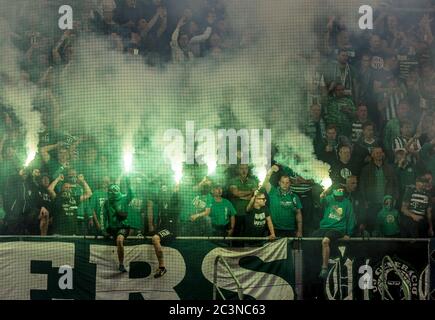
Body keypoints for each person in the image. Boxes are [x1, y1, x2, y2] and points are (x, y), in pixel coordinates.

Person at [313, 188, 356, 279]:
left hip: (338, 228)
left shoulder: (347, 203)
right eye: (338, 190)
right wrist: (321, 197)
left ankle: (324, 268)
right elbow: (321, 203)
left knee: (325, 241)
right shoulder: (328, 198)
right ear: (333, 191)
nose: (340, 192)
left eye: (341, 190)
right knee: (311, 239)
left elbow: (351, 218)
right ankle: (314, 265)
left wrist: (348, 233)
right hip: (324, 227)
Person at [150, 181, 180, 278]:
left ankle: (162, 267)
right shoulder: (161, 201)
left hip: (170, 228)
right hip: (162, 227)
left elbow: (175, 212)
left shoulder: (175, 200)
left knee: (155, 238)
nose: (163, 192)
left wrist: (175, 193)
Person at [263, 165, 303, 237]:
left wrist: (300, 231)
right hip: (274, 229)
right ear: (279, 183)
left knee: (289, 248)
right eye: (283, 182)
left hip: (290, 230)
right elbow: (265, 183)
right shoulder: (273, 192)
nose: (285, 184)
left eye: (287, 182)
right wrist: (271, 170)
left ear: (290, 183)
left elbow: (298, 214)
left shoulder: (294, 197)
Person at [104, 183, 132, 272]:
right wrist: (103, 229)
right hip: (112, 228)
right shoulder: (107, 202)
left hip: (123, 226)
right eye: (111, 191)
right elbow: (104, 216)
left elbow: (131, 194)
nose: (113, 192)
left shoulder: (124, 198)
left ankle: (121, 264)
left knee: (119, 240)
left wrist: (128, 181)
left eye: (115, 190)